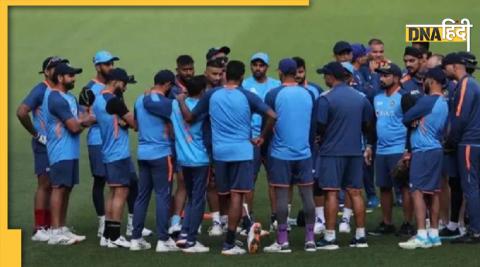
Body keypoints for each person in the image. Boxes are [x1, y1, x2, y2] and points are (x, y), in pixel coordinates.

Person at [177, 60, 277, 255]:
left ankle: (233, 228)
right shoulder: (247, 95)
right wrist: (262, 136)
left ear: (225, 74)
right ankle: (229, 242)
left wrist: (181, 100)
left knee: (225, 195)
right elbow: (272, 115)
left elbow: (190, 118)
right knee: (238, 196)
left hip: (220, 153)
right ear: (241, 76)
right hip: (242, 151)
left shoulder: (211, 95)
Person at [314, 61, 374, 249]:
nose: (324, 78)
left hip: (332, 152)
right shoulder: (361, 98)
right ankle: (361, 236)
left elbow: (320, 126)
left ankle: (330, 237)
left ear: (331, 77)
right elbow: (368, 124)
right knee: (355, 192)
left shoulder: (326, 98)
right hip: (355, 151)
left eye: (325, 75)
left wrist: (322, 138)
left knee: (331, 192)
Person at [262, 58, 316, 253]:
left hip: (280, 154)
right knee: (307, 196)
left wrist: (263, 148)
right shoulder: (309, 94)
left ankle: (283, 240)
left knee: (282, 198)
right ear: (296, 72)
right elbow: (312, 126)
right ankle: (310, 239)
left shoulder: (273, 94)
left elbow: (267, 124)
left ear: (280, 72)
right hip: (304, 153)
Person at [17, 56, 68, 241]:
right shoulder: (41, 89)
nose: (59, 70)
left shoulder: (57, 91)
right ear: (46, 72)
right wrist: (36, 134)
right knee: (45, 184)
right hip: (44, 144)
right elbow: (21, 112)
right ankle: (39, 228)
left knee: (55, 184)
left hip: (56, 144)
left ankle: (49, 226)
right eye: (55, 67)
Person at [42, 62, 93, 245]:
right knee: (59, 188)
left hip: (70, 150)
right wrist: (88, 121)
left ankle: (62, 227)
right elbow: (74, 126)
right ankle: (55, 232)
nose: (74, 79)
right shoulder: (56, 98)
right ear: (60, 77)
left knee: (67, 188)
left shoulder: (69, 97)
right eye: (71, 76)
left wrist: (85, 118)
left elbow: (81, 117)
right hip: (60, 150)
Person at [399, 66, 448, 249]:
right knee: (434, 192)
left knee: (417, 191)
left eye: (426, 80)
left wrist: (415, 119)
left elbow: (406, 117)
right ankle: (434, 234)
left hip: (423, 151)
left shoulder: (428, 101)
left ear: (432, 81)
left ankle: (421, 234)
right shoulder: (444, 102)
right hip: (436, 148)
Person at [130, 70, 179, 252]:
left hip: (143, 154)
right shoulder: (167, 104)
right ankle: (163, 240)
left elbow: (136, 125)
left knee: (142, 196)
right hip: (161, 154)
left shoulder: (138, 100)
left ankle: (136, 238)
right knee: (163, 196)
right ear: (167, 84)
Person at [92, 68, 138, 248]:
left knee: (113, 192)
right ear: (116, 81)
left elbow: (117, 121)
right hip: (119, 153)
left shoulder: (99, 99)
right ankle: (115, 237)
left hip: (108, 150)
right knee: (121, 192)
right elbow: (134, 123)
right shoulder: (114, 102)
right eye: (124, 84)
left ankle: (108, 236)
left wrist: (122, 122)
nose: (125, 88)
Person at [369, 63, 415, 237]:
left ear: (396, 78)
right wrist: (369, 146)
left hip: (399, 149)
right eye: (380, 75)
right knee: (384, 187)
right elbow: (374, 124)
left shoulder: (405, 98)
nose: (382, 78)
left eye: (386, 75)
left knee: (404, 187)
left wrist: (407, 150)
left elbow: (412, 125)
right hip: (381, 150)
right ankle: (387, 223)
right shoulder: (377, 98)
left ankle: (407, 223)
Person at [443, 53, 480, 244]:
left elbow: (459, 117)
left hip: (468, 143)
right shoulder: (473, 83)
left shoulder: (465, 84)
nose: (444, 70)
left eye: (445, 66)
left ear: (455, 66)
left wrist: (450, 141)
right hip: (475, 142)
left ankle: (475, 231)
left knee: (470, 186)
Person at [242, 52, 281, 232]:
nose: (258, 68)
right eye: (255, 65)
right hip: (252, 138)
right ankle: (247, 218)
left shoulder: (276, 85)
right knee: (250, 179)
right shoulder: (245, 85)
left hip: (272, 137)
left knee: (274, 179)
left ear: (267, 67)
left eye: (261, 65)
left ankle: (275, 216)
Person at [172, 75, 211, 253]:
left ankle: (184, 235)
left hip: (183, 158)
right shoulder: (202, 107)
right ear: (202, 90)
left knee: (190, 197)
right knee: (198, 200)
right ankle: (192, 240)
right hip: (200, 159)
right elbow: (190, 118)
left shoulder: (174, 104)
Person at [293, 56, 325, 234]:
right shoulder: (284, 91)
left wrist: (319, 136)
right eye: (295, 72)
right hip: (293, 143)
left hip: (312, 144)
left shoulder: (315, 90)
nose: (298, 75)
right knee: (296, 180)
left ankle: (319, 217)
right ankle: (307, 212)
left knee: (315, 180)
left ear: (305, 71)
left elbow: (321, 116)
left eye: (300, 71)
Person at [168, 55, 195, 235]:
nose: (188, 72)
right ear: (177, 69)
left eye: (191, 69)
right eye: (184, 69)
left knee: (197, 183)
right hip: (178, 143)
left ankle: (192, 219)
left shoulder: (197, 84)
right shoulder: (171, 89)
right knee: (183, 183)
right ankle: (176, 220)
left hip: (195, 142)